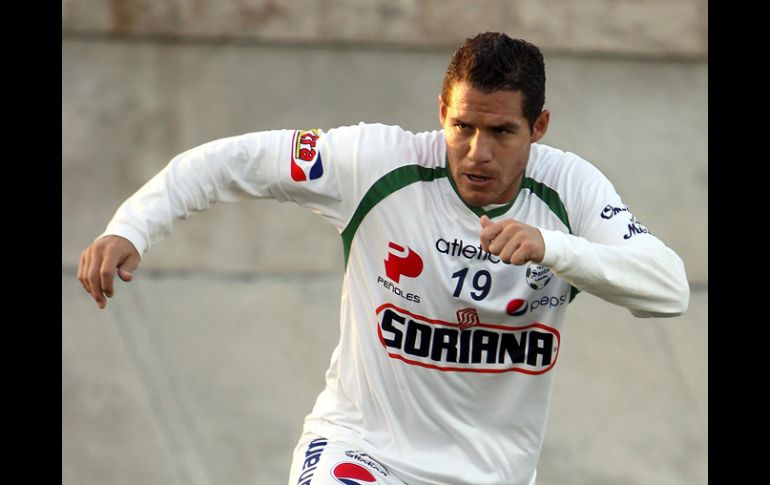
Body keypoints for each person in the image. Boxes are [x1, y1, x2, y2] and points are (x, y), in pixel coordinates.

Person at [77, 32, 689, 485]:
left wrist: (554, 247)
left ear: (540, 126)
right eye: (462, 127)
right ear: (441, 114)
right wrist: (132, 226)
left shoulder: (572, 190)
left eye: (502, 132)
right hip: (363, 452)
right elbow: (232, 161)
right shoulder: (377, 162)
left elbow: (669, 290)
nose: (477, 153)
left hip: (491, 472)